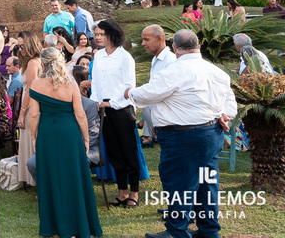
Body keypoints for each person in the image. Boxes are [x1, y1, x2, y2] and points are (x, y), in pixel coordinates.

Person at [123, 28, 237, 238]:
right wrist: (225, 113)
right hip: (212, 134)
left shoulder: (175, 71)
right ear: (199, 47)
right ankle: (209, 230)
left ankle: (176, 231)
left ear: (174, 48)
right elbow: (230, 100)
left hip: (184, 137)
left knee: (178, 184)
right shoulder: (217, 71)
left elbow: (148, 94)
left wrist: (129, 92)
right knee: (207, 184)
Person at [26, 47, 103, 238]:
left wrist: (34, 137)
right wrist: (85, 138)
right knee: (74, 176)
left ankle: (54, 227)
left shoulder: (36, 84)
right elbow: (80, 115)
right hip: (69, 133)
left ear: (42, 64)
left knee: (50, 176)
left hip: (47, 132)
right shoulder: (70, 83)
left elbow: (34, 114)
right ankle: (79, 226)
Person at [91, 18, 140, 207]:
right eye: (96, 34)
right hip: (103, 111)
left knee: (128, 151)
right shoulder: (99, 56)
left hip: (122, 110)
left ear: (111, 35)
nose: (97, 37)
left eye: (101, 34)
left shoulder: (124, 57)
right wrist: (96, 100)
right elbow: (95, 82)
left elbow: (129, 86)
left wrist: (112, 103)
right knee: (114, 152)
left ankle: (134, 192)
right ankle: (122, 192)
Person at [140, 24, 176, 148]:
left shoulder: (170, 60)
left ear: (159, 39)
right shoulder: (156, 59)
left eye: (146, 39)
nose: (142, 44)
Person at [15, 32, 42, 188]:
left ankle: (37, 181)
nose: (20, 49)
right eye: (18, 46)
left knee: (32, 141)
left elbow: (31, 89)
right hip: (30, 104)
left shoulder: (33, 62)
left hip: (32, 105)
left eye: (22, 45)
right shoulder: (31, 61)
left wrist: (22, 112)